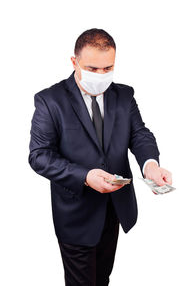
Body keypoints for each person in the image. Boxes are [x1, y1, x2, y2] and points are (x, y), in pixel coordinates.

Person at [28, 28, 172, 285]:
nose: (101, 76)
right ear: (74, 62)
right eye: (93, 69)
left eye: (108, 68)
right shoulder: (50, 101)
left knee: (102, 278)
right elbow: (39, 156)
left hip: (115, 209)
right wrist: (84, 176)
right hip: (76, 213)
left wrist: (150, 165)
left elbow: (139, 134)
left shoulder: (124, 95)